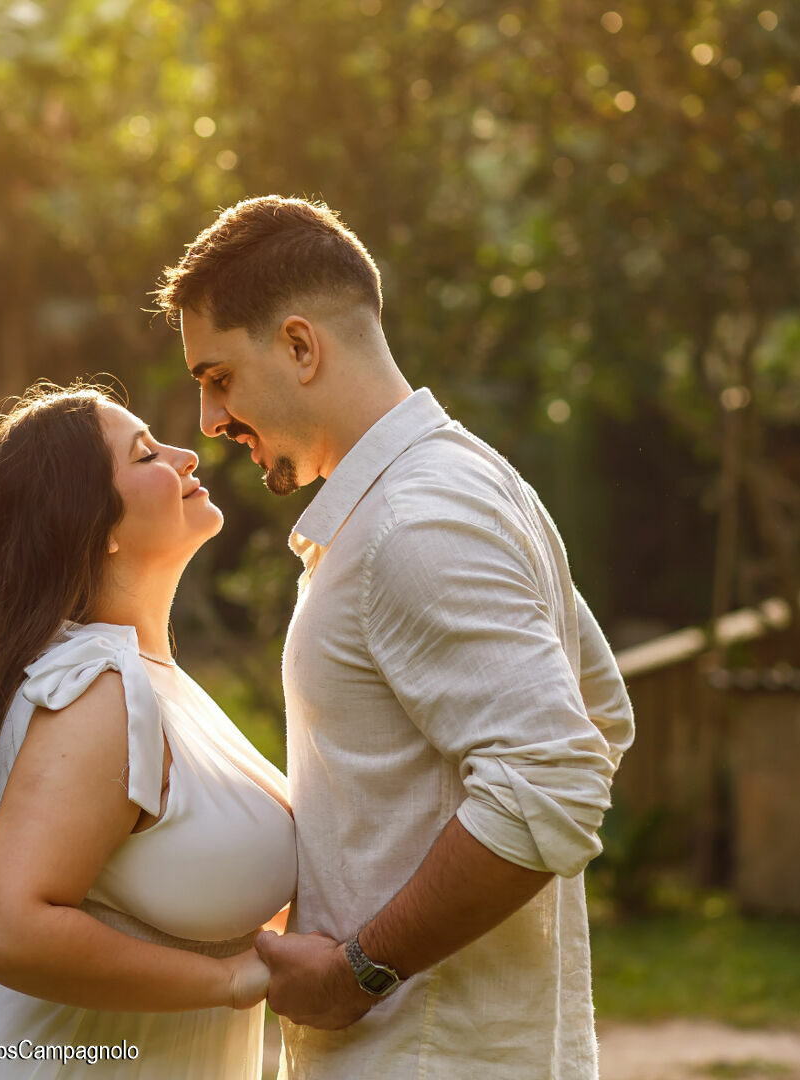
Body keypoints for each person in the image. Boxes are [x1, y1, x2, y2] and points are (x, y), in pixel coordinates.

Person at [155, 195, 636, 1079]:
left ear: (300, 346)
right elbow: (599, 721)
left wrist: (359, 972)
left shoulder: (415, 523)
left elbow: (556, 772)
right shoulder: (462, 486)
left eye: (217, 377)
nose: (207, 422)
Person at [0, 382, 297, 1078]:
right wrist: (234, 981)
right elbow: (4, 929)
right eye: (145, 456)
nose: (185, 457)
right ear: (92, 523)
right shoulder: (95, 686)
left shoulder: (146, 678)